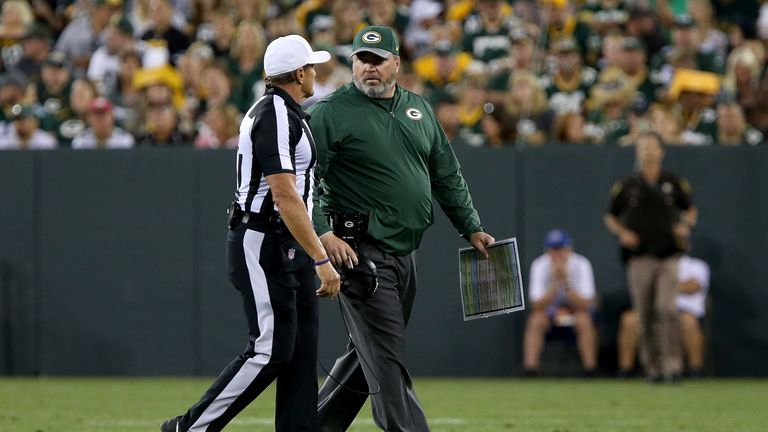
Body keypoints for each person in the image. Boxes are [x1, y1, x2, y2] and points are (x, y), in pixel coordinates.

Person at [309, 25, 495, 432]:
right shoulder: (329, 112)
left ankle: (313, 427)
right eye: (361, 59)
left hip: (405, 251)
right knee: (388, 358)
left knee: (370, 353)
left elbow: (446, 174)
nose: (369, 68)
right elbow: (303, 181)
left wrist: (472, 228)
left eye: (377, 60)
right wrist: (324, 234)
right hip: (359, 253)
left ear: (397, 62)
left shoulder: (419, 108)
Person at [160, 34, 340, 432]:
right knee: (271, 347)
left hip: (286, 243)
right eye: (311, 66)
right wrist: (322, 259)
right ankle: (190, 427)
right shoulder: (274, 113)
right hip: (264, 241)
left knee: (300, 352)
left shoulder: (287, 112)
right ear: (298, 73)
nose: (315, 73)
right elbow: (283, 194)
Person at [604, 131, 698, 382]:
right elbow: (610, 216)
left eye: (651, 146)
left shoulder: (672, 181)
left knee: (667, 308)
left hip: (669, 254)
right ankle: (653, 367)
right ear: (637, 152)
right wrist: (623, 233)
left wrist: (685, 226)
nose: (646, 150)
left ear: (661, 151)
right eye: (642, 146)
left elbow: (690, 209)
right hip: (639, 256)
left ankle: (673, 366)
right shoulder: (627, 184)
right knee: (644, 312)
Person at [617, 253, 711, 378]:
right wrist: (676, 285)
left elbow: (693, 286)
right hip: (652, 311)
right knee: (629, 320)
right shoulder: (648, 265)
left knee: (689, 322)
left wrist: (663, 286)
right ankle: (626, 369)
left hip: (683, 310)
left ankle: (696, 369)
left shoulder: (696, 265)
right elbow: (642, 289)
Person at [522, 229, 597, 376]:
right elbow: (535, 305)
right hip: (550, 314)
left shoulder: (581, 264)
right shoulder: (539, 265)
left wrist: (566, 282)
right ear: (547, 250)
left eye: (561, 249)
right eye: (554, 249)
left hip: (576, 313)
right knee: (535, 320)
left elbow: (586, 304)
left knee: (584, 320)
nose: (557, 254)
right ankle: (531, 370)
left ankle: (590, 370)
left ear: (570, 248)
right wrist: (555, 285)